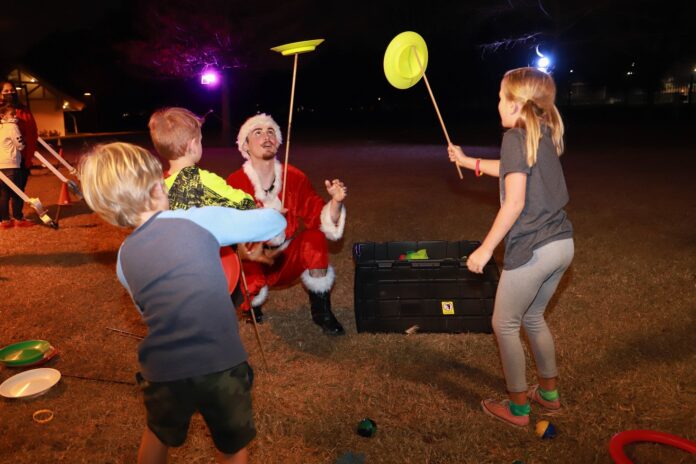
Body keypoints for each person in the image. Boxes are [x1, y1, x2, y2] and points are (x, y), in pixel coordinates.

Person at [79, 142, 286, 464]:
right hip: (221, 364)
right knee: (232, 448)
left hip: (162, 371)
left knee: (158, 434)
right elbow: (274, 225)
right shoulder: (199, 220)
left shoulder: (123, 257)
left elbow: (145, 307)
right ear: (157, 187)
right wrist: (274, 211)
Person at [448, 67, 574, 428]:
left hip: (534, 249)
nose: (498, 102)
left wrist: (486, 249)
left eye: (502, 96)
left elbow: (514, 201)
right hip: (562, 245)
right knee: (532, 317)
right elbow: (510, 169)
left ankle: (518, 410)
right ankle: (548, 395)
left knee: (504, 324)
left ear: (517, 104)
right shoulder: (541, 134)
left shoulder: (515, 138)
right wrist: (467, 160)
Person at [227, 113, 347, 335]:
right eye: (258, 132)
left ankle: (322, 313)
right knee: (242, 253)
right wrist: (261, 219)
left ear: (279, 141)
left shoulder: (295, 177)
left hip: (285, 256)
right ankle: (252, 305)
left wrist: (336, 203)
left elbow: (319, 216)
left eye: (271, 131)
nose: (266, 136)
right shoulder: (234, 183)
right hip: (253, 259)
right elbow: (228, 231)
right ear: (246, 145)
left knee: (315, 238)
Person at [1, 80, 37, 227]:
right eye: (6, 91)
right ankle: (6, 219)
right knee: (6, 192)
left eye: (12, 90)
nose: (10, 93)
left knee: (19, 188)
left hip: (22, 157)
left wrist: (30, 153)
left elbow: (32, 130)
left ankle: (15, 216)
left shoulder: (23, 109)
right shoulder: (5, 117)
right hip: (8, 158)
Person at [0, 103, 26, 228]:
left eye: (15, 113)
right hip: (11, 164)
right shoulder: (12, 126)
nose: (15, 116)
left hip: (0, 165)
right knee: (16, 193)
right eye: (12, 114)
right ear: (3, 115)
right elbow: (20, 144)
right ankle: (18, 218)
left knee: (3, 194)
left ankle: (5, 220)